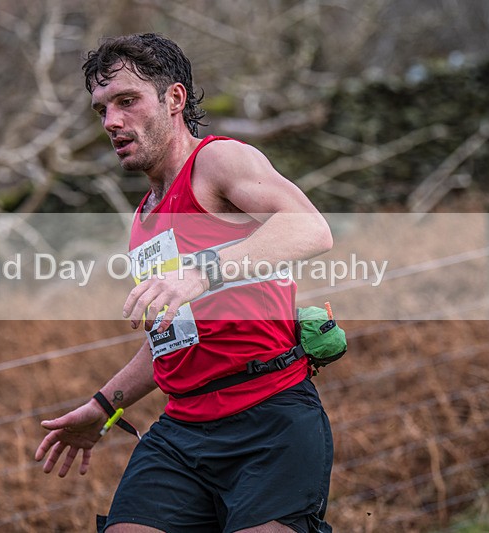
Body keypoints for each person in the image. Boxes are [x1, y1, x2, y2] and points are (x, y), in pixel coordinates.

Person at [35, 33, 335, 533]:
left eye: (127, 101)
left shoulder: (218, 162)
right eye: (102, 109)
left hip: (270, 417)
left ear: (174, 99)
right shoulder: (143, 222)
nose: (111, 122)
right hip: (184, 432)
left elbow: (311, 228)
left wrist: (201, 272)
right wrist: (103, 406)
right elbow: (173, 339)